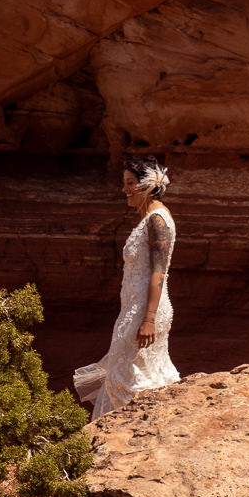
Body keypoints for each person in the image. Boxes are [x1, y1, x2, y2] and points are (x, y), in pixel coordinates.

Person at [74, 156, 179, 421]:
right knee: (126, 373)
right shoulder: (147, 219)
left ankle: (142, 429)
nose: (125, 190)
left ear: (148, 185)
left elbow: (159, 272)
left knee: (128, 377)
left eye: (131, 183)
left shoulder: (158, 220)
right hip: (133, 309)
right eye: (124, 183)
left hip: (146, 311)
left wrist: (149, 319)